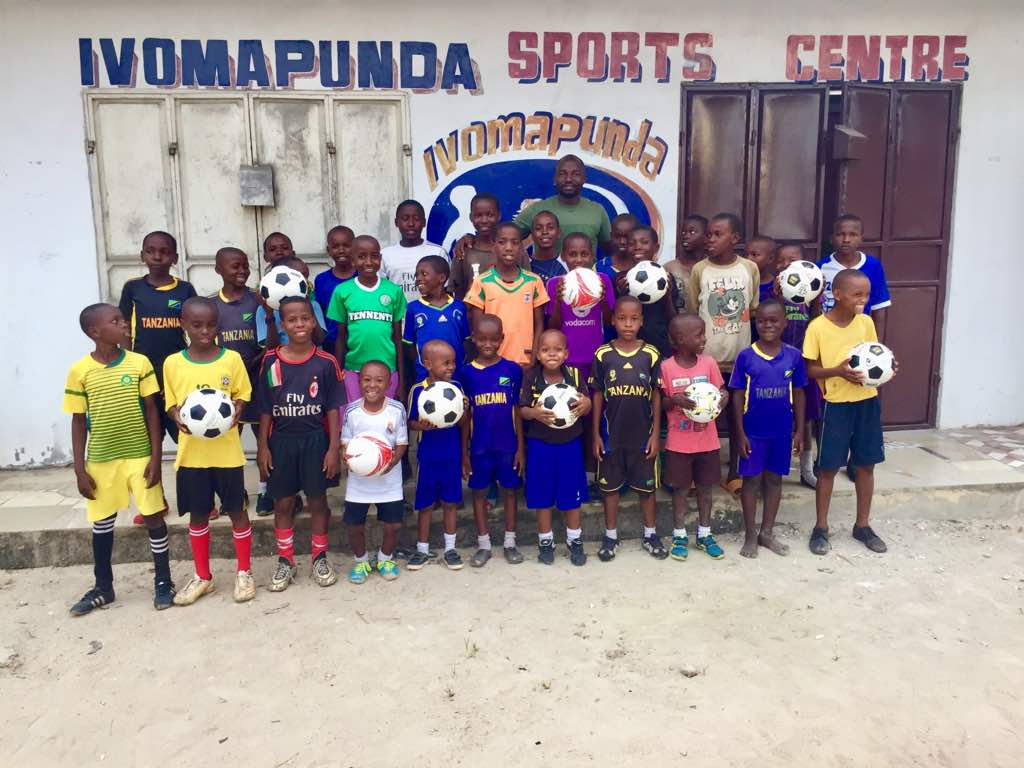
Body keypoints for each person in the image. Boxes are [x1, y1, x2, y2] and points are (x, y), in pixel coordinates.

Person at [64, 304, 175, 614]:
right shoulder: (79, 371)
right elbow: (77, 421)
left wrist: (156, 457)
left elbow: (152, 410)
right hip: (101, 459)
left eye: (122, 319)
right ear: (95, 332)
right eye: (115, 320)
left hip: (139, 455)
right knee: (102, 522)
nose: (124, 323)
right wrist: (80, 470)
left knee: (153, 517)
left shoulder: (139, 363)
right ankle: (103, 587)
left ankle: (163, 582)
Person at [162, 298, 253, 605]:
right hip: (192, 456)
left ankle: (244, 572)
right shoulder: (173, 363)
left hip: (228, 455)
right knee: (199, 515)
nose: (205, 331)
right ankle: (203, 576)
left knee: (237, 512)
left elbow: (242, 395)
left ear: (219, 326)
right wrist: (177, 417)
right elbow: (171, 403)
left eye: (211, 325)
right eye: (197, 325)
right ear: (183, 325)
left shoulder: (232, 359)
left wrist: (236, 411)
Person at [803, 269, 894, 556]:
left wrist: (887, 369)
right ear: (837, 294)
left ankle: (862, 525)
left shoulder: (866, 322)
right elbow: (810, 370)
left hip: (866, 401)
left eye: (866, 295)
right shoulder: (818, 327)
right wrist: (838, 371)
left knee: (866, 465)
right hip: (836, 405)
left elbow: (873, 356)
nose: (863, 300)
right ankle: (821, 527)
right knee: (828, 468)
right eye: (857, 294)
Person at [256, 296, 344, 590]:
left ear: (314, 320)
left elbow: (333, 408)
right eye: (292, 320)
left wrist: (333, 448)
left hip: (316, 441)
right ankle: (286, 560)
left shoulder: (326, 362)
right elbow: (266, 408)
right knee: (283, 503)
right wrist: (263, 447)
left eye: (305, 318)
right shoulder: (271, 360)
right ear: (282, 325)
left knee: (318, 501)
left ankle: (320, 557)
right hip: (281, 442)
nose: (300, 324)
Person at [686, 213, 760, 495]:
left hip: (740, 360)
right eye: (709, 235)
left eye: (718, 234)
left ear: (735, 238)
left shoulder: (749, 269)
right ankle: (703, 474)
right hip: (708, 360)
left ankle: (734, 474)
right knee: (705, 416)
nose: (710, 240)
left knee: (738, 416)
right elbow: (693, 312)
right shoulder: (700, 270)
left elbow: (753, 309)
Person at [729, 299, 807, 558]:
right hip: (753, 433)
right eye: (762, 321)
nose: (767, 325)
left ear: (785, 323)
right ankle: (750, 534)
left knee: (774, 480)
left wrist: (799, 431)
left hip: (781, 432)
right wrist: (740, 434)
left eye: (774, 321)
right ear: (756, 323)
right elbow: (737, 396)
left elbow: (799, 393)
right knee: (751, 482)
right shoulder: (746, 356)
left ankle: (767, 532)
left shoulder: (793, 356)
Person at [591, 296, 663, 561]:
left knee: (647, 489)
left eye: (634, 319)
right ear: (613, 320)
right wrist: (595, 434)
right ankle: (610, 537)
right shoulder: (603, 354)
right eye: (622, 318)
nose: (628, 324)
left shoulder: (651, 354)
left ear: (642, 321)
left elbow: (657, 394)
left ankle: (650, 534)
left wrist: (656, 435)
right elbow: (597, 394)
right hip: (611, 436)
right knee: (610, 489)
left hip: (643, 437)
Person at [118, 231, 196, 452]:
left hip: (178, 371)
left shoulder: (185, 289)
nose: (157, 256)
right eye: (150, 251)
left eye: (164, 252)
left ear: (175, 258)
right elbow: (124, 328)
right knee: (150, 431)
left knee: (184, 427)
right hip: (144, 370)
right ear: (142, 255)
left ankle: (189, 471)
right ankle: (153, 472)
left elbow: (196, 325)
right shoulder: (132, 288)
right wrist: (129, 363)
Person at [659, 314, 728, 561]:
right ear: (680, 339)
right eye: (698, 335)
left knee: (705, 489)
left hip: (707, 441)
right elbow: (661, 403)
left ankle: (704, 534)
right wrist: (674, 400)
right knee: (679, 491)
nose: (704, 339)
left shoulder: (708, 364)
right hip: (679, 443)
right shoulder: (666, 367)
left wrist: (723, 398)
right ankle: (679, 535)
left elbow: (722, 391)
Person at [519, 329, 591, 565]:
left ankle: (574, 540)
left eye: (557, 349)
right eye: (545, 350)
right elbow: (522, 410)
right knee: (542, 495)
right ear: (538, 354)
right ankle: (545, 541)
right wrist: (535, 413)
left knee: (571, 494)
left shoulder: (575, 376)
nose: (552, 354)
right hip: (540, 445)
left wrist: (586, 404)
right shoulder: (531, 377)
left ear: (566, 353)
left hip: (570, 444)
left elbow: (587, 402)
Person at [458, 315, 525, 567]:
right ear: (474, 339)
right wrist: (464, 453)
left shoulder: (512, 370)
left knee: (510, 492)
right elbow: (465, 416)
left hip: (508, 447)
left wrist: (521, 449)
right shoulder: (466, 373)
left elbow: (517, 411)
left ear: (501, 339)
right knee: (479, 494)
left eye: (493, 339)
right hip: (479, 448)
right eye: (482, 339)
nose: (488, 344)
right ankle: (484, 545)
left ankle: (510, 543)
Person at [340, 360, 408, 584]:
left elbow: (402, 443)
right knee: (354, 525)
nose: (372, 385)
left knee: (393, 524)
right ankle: (361, 561)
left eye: (379, 380)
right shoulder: (352, 411)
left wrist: (391, 462)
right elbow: (345, 442)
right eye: (367, 379)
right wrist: (349, 460)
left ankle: (385, 559)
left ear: (389, 383)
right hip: (359, 482)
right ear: (359, 382)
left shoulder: (396, 409)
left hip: (389, 480)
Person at [406, 340, 471, 571]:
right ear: (427, 364)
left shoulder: (456, 388)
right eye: (446, 363)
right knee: (425, 504)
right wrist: (421, 426)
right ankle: (422, 549)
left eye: (453, 362)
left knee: (451, 502)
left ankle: (450, 550)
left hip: (451, 455)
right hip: (428, 457)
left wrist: (464, 409)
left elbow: (463, 423)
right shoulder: (418, 390)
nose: (451, 367)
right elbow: (410, 422)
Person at [212, 247, 264, 516]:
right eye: (235, 266)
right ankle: (235, 493)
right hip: (224, 384)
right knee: (228, 441)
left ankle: (266, 490)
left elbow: (268, 341)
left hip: (257, 378)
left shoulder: (258, 300)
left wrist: (253, 363)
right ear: (218, 269)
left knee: (264, 437)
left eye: (245, 265)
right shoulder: (211, 304)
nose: (242, 270)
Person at [328, 235, 407, 403]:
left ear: (380, 258)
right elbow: (340, 337)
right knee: (354, 415)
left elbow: (397, 338)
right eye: (362, 256)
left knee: (385, 417)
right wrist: (338, 374)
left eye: (374, 256)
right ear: (352, 260)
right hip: (353, 369)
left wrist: (401, 379)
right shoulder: (342, 291)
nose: (369, 262)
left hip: (387, 370)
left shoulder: (393, 291)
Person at [464, 222, 549, 368]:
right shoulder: (482, 282)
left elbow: (539, 324)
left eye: (515, 243)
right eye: (502, 242)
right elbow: (477, 327)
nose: (509, 247)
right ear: (494, 246)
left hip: (525, 361)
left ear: (521, 247)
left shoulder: (533, 281)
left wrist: (534, 359)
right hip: (492, 363)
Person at [774, 242, 823, 488]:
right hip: (778, 363)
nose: (785, 265)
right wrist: (778, 296)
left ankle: (806, 470)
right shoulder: (773, 292)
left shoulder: (810, 294)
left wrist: (816, 298)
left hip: (804, 363)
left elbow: (817, 324)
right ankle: (774, 468)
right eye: (780, 261)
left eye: (791, 261)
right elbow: (772, 321)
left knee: (806, 417)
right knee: (777, 412)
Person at [512, 155, 613, 254]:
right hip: (544, 266)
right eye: (562, 174)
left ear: (584, 179)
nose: (568, 179)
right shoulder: (536, 209)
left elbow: (611, 252)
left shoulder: (597, 210)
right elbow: (508, 239)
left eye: (575, 174)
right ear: (555, 179)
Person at [818, 214, 891, 341]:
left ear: (861, 238)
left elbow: (879, 306)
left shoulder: (873, 266)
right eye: (840, 234)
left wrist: (876, 342)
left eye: (853, 235)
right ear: (831, 238)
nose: (846, 239)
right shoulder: (821, 267)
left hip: (860, 336)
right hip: (827, 334)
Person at [403, 255, 471, 383]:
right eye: (416, 275)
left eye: (424, 274)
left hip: (455, 374)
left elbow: (466, 341)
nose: (418, 279)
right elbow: (408, 344)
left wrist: (461, 363)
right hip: (426, 376)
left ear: (442, 278)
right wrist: (421, 365)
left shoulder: (458, 306)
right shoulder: (413, 308)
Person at [448, 193, 528, 301]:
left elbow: (528, 288)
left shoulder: (515, 250)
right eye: (478, 215)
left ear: (499, 215)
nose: (484, 220)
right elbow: (458, 294)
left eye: (490, 215)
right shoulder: (463, 251)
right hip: (474, 311)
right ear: (471, 217)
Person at [381, 200, 448, 304]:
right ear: (396, 222)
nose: (411, 224)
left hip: (431, 312)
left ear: (424, 222)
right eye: (405, 219)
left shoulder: (438, 252)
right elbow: (381, 290)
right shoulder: (385, 255)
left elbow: (447, 289)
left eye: (416, 219)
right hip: (397, 313)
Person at [256, 256, 328, 350]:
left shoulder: (313, 305)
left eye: (306, 276)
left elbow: (319, 340)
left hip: (313, 358)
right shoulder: (264, 309)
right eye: (299, 275)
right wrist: (270, 316)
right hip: (282, 358)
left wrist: (309, 307)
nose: (305, 281)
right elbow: (271, 348)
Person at [630, 225, 676, 357]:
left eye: (644, 242)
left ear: (656, 248)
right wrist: (623, 293)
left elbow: (672, 319)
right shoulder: (621, 279)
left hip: (659, 347)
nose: (637, 246)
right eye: (632, 243)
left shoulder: (666, 278)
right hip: (630, 349)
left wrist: (667, 297)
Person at [313, 225, 356, 354]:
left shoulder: (363, 277)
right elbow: (319, 312)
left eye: (346, 246)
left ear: (355, 247)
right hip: (330, 343)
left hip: (358, 342)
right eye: (335, 246)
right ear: (328, 250)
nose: (341, 250)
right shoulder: (321, 280)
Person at [664, 214, 707, 313]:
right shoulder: (668, 268)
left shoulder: (711, 267)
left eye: (692, 232)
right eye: (683, 232)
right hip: (676, 321)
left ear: (705, 237)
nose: (686, 236)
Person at [596, 213, 638, 300]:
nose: (622, 241)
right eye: (617, 236)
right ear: (611, 236)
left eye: (627, 237)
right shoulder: (599, 267)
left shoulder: (643, 266)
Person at [529, 210, 567, 280]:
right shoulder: (524, 265)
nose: (545, 232)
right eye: (538, 228)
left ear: (559, 232)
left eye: (550, 227)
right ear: (532, 235)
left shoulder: (567, 263)